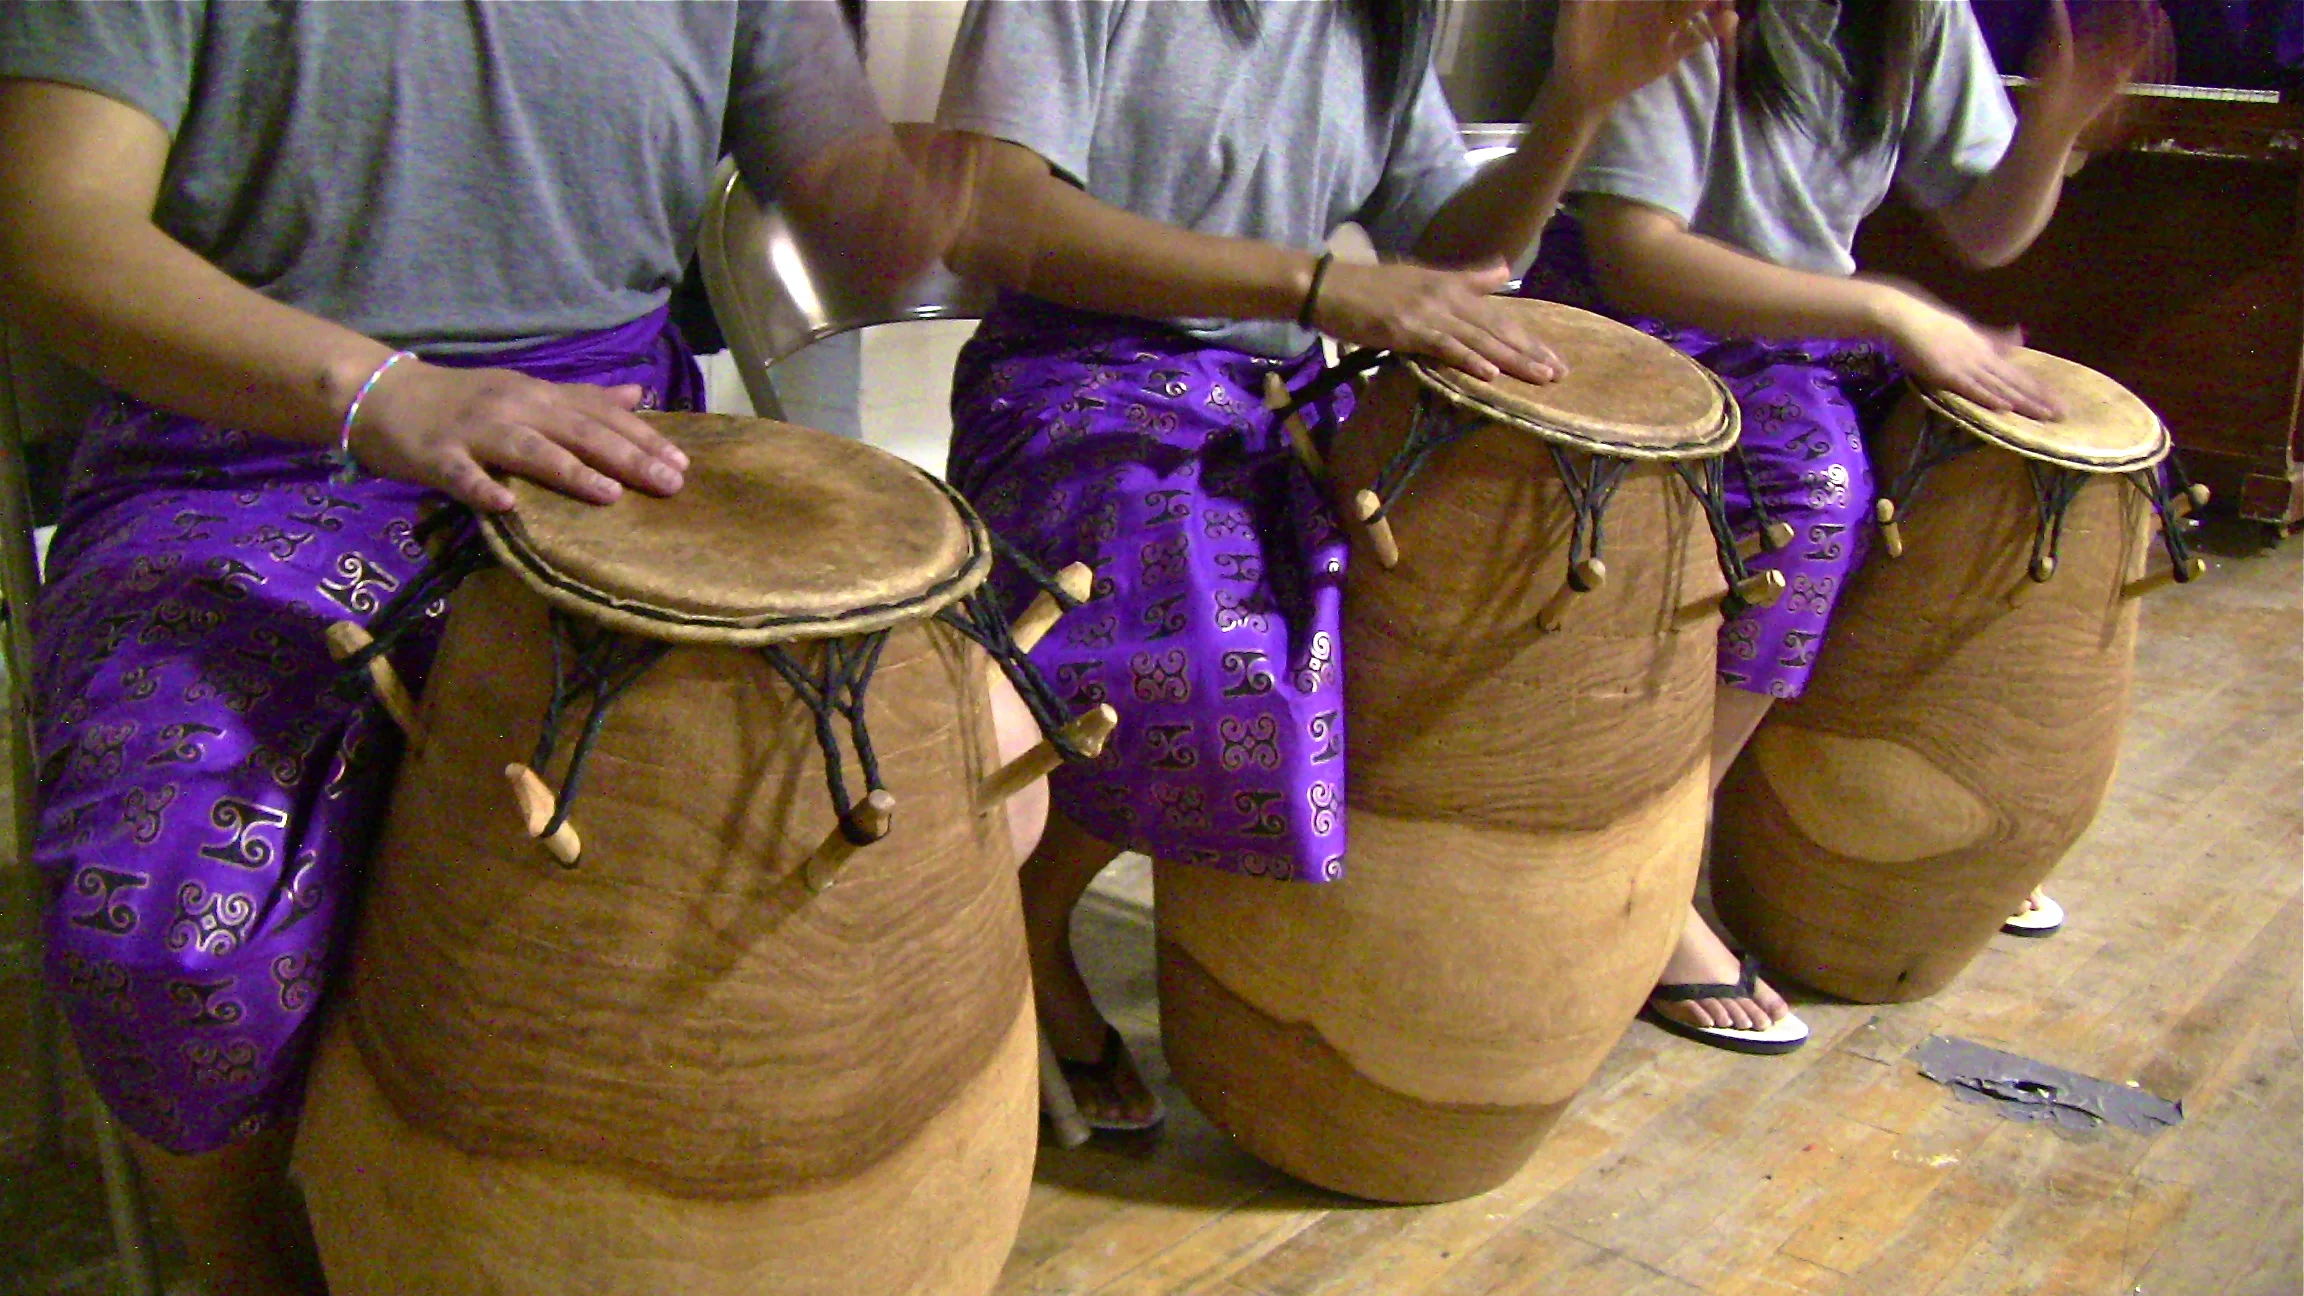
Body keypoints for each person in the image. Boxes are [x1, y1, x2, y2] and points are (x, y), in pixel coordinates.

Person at [0, 5, 948, 1291]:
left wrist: (936, 208)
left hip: (604, 447)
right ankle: (251, 1258)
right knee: (174, 941)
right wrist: (385, 392)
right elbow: (53, 225)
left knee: (942, 785)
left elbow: (857, 206)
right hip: (247, 447)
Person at [930, 0, 1733, 1132]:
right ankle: (1030, 909)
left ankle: (1275, 966)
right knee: (1213, 623)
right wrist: (1311, 285)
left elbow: (1450, 255)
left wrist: (1577, 99)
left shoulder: (1382, 17)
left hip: (1271, 390)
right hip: (1072, 380)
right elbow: (989, 213)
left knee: (1450, 593)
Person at [1518, 0, 2166, 1053]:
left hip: (1790, 325)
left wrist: (2052, 128)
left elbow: (1985, 225)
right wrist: (1883, 310)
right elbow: (1637, 255)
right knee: (1815, 490)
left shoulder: (1913, 12)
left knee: (1967, 458)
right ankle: (1665, 856)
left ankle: (1864, 818)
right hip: (1629, 317)